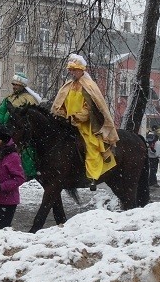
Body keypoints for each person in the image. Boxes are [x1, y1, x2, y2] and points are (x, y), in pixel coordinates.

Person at [51, 54, 119, 191]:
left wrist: (77, 117)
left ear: (82, 70)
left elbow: (91, 108)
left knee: (91, 145)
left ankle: (92, 177)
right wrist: (61, 114)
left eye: (75, 70)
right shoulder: (67, 86)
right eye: (70, 70)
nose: (72, 72)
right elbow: (60, 105)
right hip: (67, 124)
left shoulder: (89, 86)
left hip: (85, 125)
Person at [0, 71, 41, 179]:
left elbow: (32, 116)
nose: (14, 87)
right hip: (7, 129)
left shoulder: (29, 99)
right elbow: (0, 113)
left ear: (22, 85)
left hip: (22, 130)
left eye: (16, 85)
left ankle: (28, 172)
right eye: (13, 84)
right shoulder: (8, 98)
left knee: (26, 150)